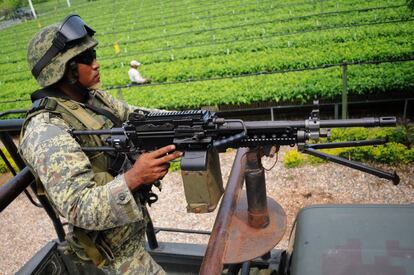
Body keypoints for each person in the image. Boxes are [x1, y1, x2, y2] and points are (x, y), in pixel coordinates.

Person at [19, 14, 181, 274]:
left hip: (128, 232)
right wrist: (135, 177)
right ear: (65, 69)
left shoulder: (92, 100)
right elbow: (77, 206)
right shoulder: (46, 131)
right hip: (114, 253)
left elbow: (137, 116)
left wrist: (194, 121)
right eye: (87, 59)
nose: (97, 64)